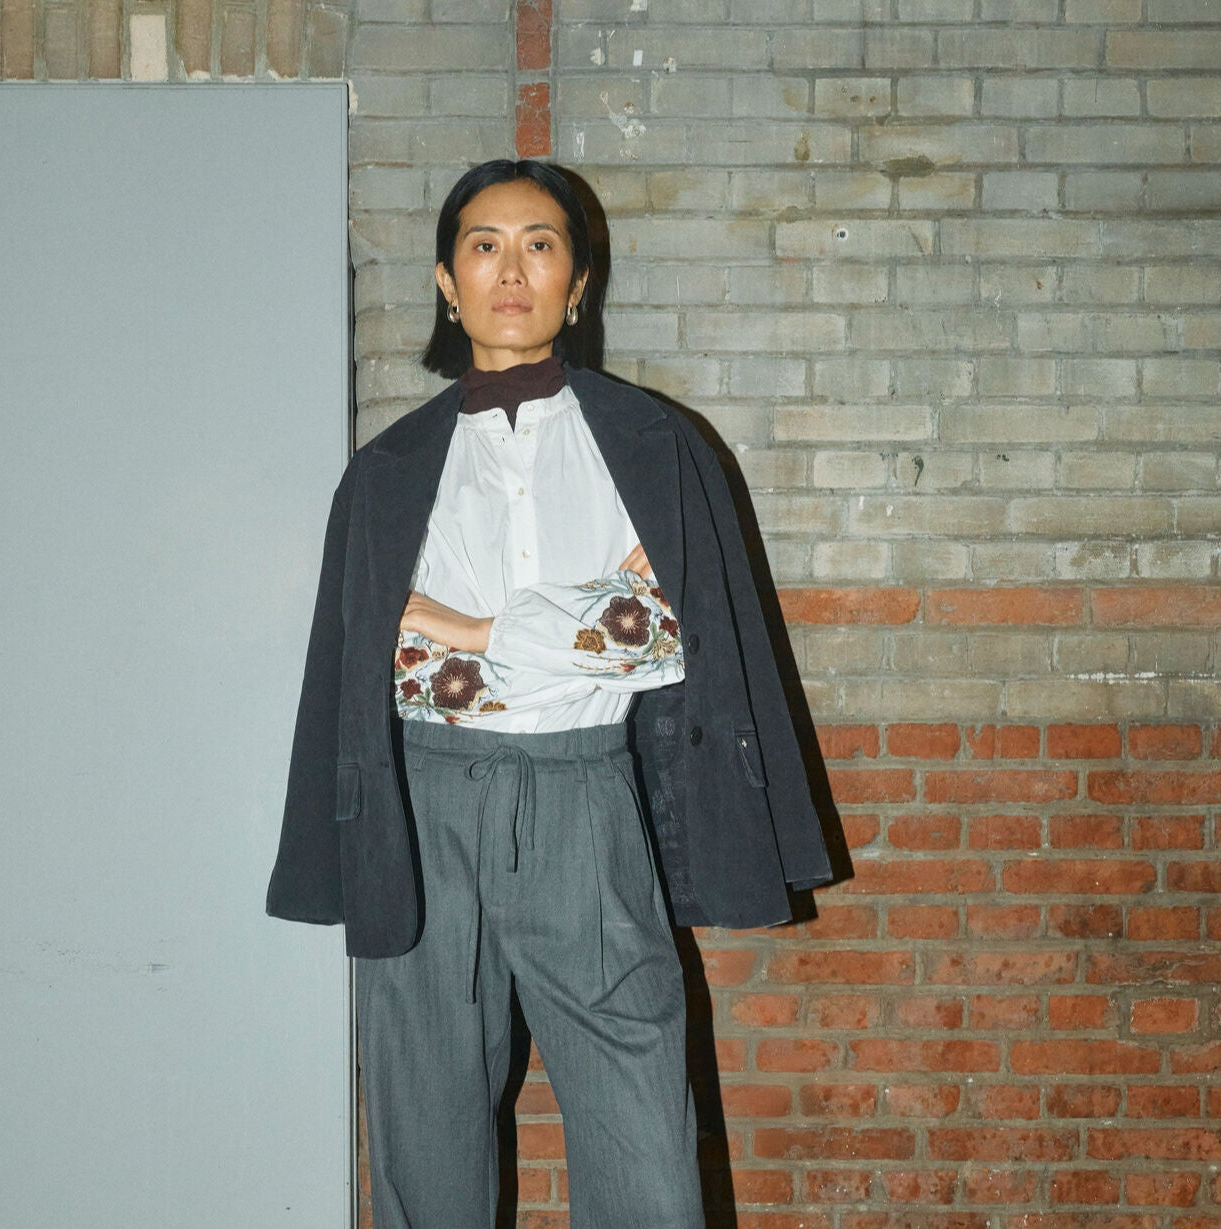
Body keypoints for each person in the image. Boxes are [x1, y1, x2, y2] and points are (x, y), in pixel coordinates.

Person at [266, 159, 835, 1229]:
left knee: (646, 1143)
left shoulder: (654, 448)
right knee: (424, 1139)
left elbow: (663, 636)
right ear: (447, 281)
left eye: (541, 244)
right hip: (424, 807)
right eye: (484, 246)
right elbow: (401, 667)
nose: (512, 269)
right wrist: (586, 626)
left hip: (587, 804)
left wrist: (470, 627)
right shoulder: (390, 470)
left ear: (577, 284)